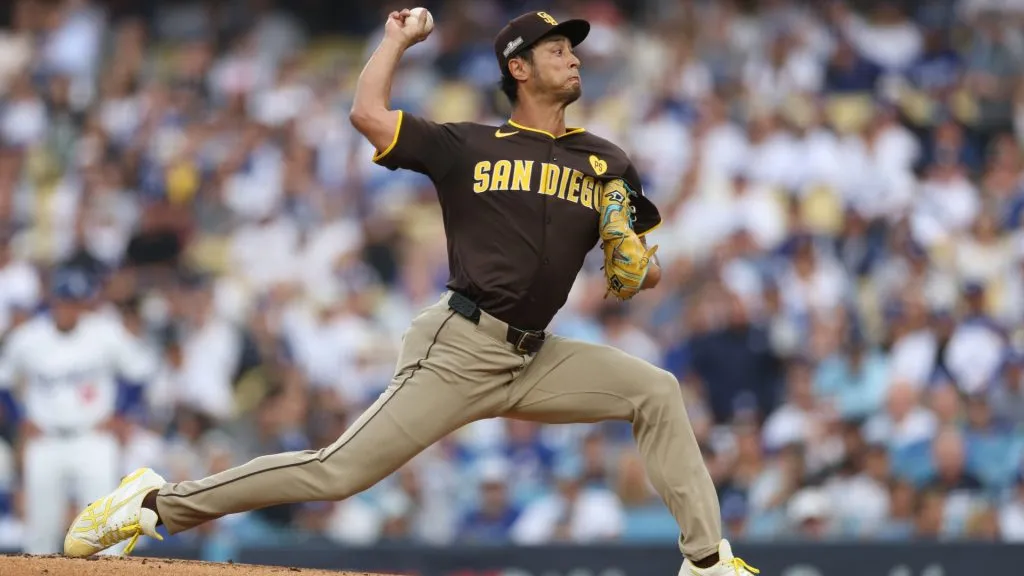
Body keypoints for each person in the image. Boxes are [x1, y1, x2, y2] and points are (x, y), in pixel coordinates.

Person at [62, 9, 758, 575]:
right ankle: (153, 503)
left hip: (535, 356)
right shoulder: (469, 144)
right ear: (518, 68)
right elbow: (368, 113)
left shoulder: (605, 160)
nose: (573, 57)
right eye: (555, 49)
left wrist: (637, 262)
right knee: (335, 474)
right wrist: (396, 39)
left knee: (656, 390)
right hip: (461, 346)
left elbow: (637, 269)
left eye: (572, 49)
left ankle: (706, 562)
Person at [0, 268, 157, 554]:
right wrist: (19, 418)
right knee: (40, 531)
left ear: (83, 303)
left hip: (92, 438)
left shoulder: (104, 333)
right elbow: (4, 382)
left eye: (74, 301)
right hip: (45, 440)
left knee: (106, 528)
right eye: (63, 300)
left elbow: (141, 371)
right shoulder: (29, 337)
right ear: (53, 301)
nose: (68, 308)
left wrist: (121, 413)